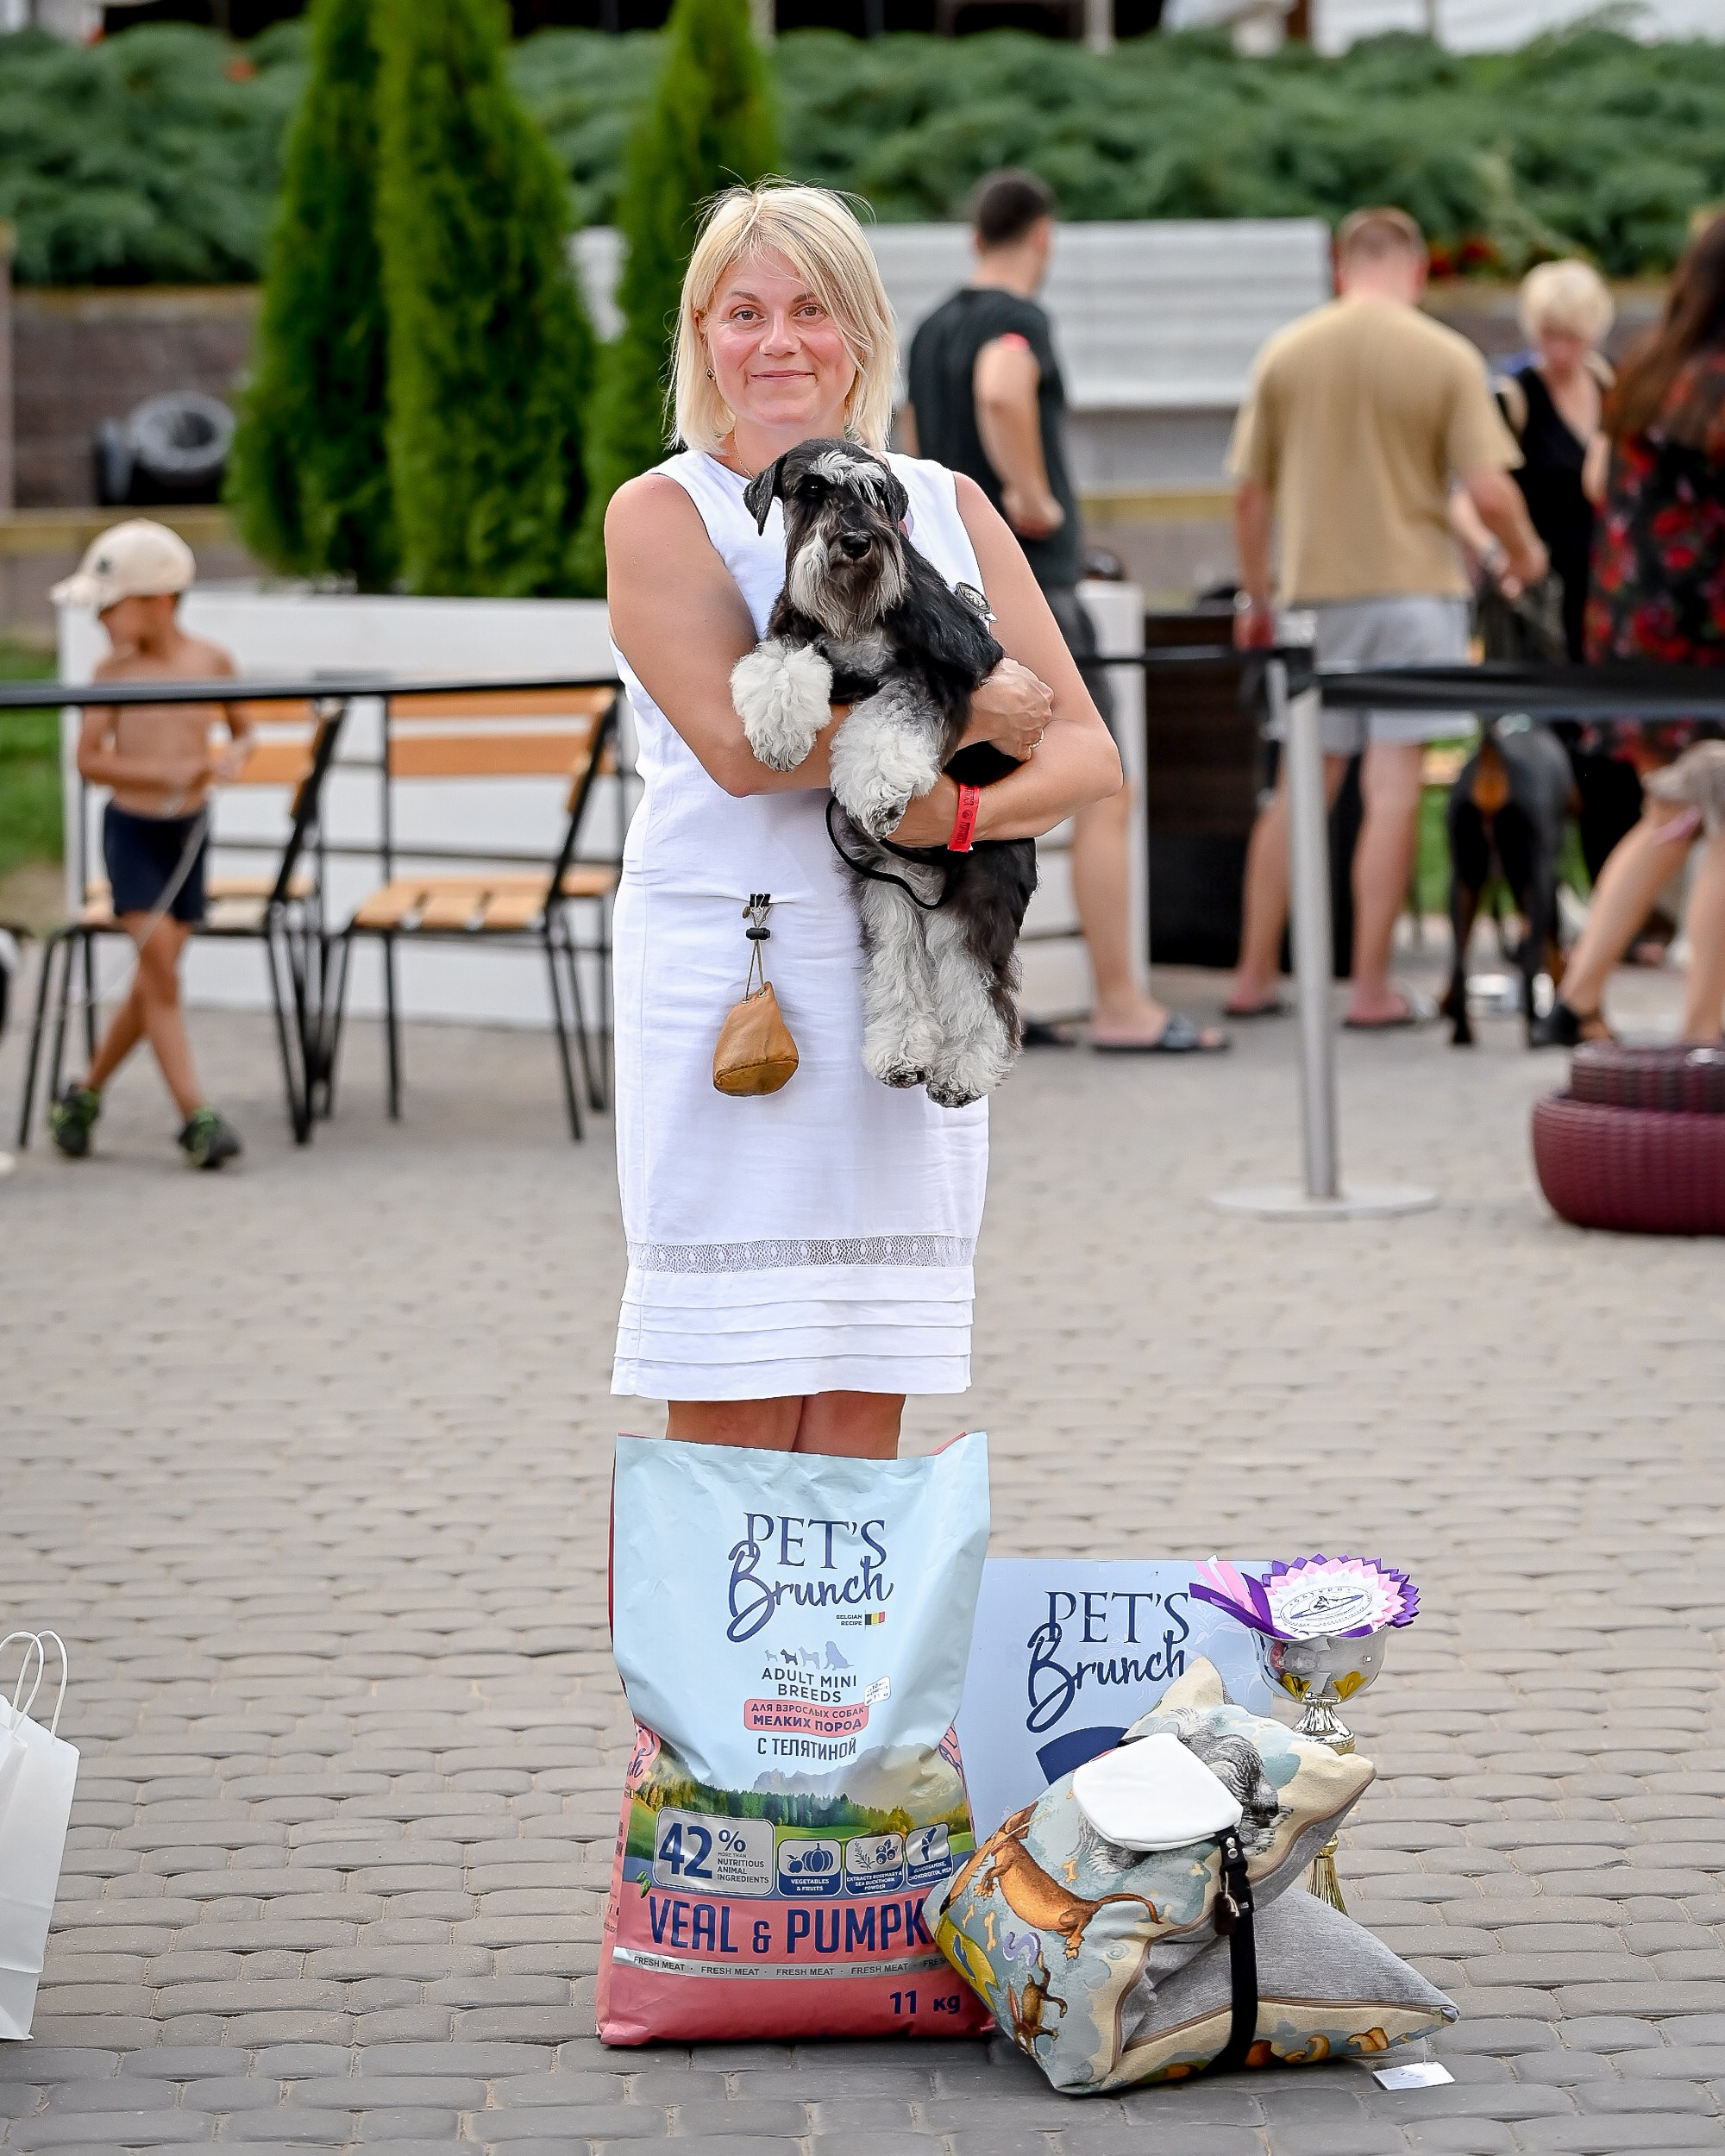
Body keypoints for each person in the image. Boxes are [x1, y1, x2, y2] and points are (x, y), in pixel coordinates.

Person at [603, 182, 1120, 1459]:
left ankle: (831, 1673)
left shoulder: (947, 503)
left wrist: (946, 816)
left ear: (863, 330)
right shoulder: (663, 513)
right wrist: (975, 712)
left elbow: (1088, 753)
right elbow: (744, 746)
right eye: (745, 311)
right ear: (701, 336)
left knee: (857, 1400)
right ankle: (708, 1672)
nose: (779, 341)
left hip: (910, 967)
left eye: (813, 310)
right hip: (737, 979)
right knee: (726, 1399)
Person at [903, 169, 1224, 1055]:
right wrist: (1027, 490)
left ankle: (988, 989)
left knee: (972, 800)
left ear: (976, 233)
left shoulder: (929, 329)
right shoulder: (1020, 318)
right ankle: (1122, 1004)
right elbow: (1004, 387)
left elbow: (913, 438)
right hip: (1030, 591)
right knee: (1099, 784)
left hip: (950, 603)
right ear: (1040, 237)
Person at [1225, 206, 1549, 1027]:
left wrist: (1258, 595)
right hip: (1413, 593)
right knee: (1393, 787)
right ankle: (1368, 989)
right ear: (1416, 270)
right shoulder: (1445, 356)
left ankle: (1255, 975)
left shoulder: (1286, 352)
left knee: (1300, 788)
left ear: (1342, 266)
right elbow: (1487, 488)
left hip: (1311, 598)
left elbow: (1249, 492)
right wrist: (1527, 553)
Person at [1534, 211, 1725, 1048]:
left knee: (1670, 811)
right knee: (1717, 814)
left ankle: (1574, 998)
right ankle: (1703, 1031)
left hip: (1628, 626)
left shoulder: (1647, 367)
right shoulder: (1715, 378)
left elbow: (1595, 478)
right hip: (1699, 632)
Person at [46, 521, 248, 1169]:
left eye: (110, 605)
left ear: (158, 601)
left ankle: (83, 1094)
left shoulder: (211, 662)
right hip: (132, 834)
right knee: (161, 973)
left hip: (187, 833)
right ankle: (196, 1118)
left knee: (154, 979)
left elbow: (244, 729)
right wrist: (159, 775)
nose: (101, 619)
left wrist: (232, 757)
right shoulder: (110, 673)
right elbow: (89, 760)